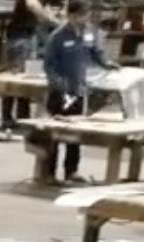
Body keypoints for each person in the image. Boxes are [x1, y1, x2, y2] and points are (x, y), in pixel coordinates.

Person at [42, 1, 113, 185]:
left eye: (86, 14)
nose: (84, 18)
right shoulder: (57, 36)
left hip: (79, 90)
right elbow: (49, 65)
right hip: (60, 93)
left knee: (75, 134)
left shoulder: (88, 32)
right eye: (81, 15)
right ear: (71, 15)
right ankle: (49, 173)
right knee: (56, 134)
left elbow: (96, 52)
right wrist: (58, 85)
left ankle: (71, 171)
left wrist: (107, 64)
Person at [1, 0, 55, 134]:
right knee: (16, 79)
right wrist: (52, 21)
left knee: (22, 78)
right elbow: (33, 5)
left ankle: (21, 117)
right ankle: (9, 118)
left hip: (24, 37)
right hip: (21, 38)